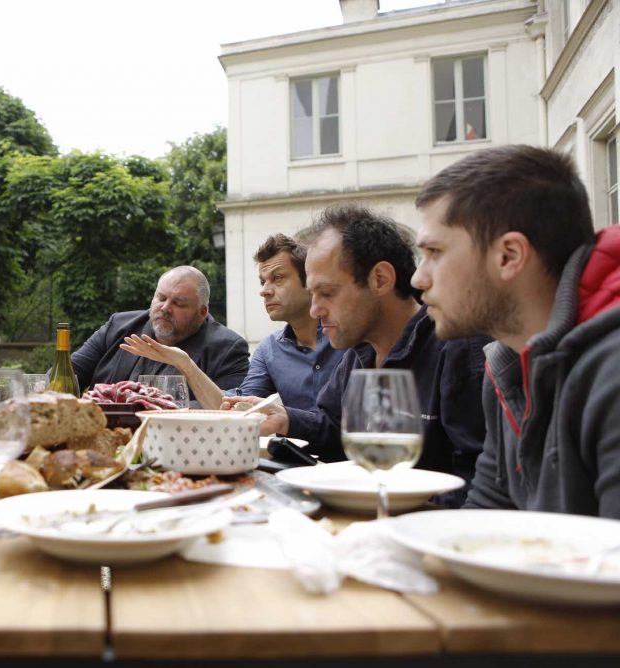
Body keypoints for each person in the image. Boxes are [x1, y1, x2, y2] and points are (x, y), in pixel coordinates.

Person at [412, 144, 620, 518]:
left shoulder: (612, 371)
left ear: (509, 256)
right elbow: (490, 515)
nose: (418, 278)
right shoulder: (508, 363)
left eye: (435, 252)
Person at [228, 205, 487, 500]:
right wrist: (286, 419)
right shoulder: (359, 351)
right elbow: (334, 428)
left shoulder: (457, 346)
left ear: (380, 279)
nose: (315, 309)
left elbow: (479, 477)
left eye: (327, 293)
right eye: (312, 294)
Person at [119, 234, 343, 410]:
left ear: (309, 282)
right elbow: (235, 410)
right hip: (297, 465)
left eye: (278, 278)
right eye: (262, 281)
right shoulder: (269, 351)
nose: (264, 291)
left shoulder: (350, 336)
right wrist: (185, 364)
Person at [70, 265, 249, 392]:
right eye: (161, 298)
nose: (165, 308)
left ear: (202, 312)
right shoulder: (118, 326)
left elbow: (227, 408)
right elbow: (67, 376)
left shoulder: (228, 348)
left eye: (178, 303)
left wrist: (148, 409)